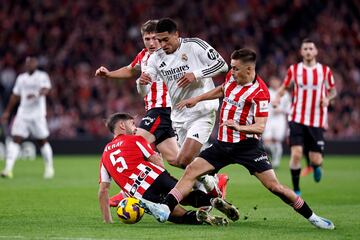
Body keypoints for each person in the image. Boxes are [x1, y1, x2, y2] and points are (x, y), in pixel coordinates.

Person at [140, 49, 335, 230]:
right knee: (190, 170)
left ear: (249, 69)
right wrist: (197, 99)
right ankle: (165, 209)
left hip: (248, 148)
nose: (231, 71)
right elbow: (222, 90)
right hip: (222, 146)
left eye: (235, 68)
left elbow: (260, 126)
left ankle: (313, 217)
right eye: (231, 67)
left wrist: (239, 126)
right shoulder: (232, 79)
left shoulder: (260, 93)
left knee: (275, 187)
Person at [139, 18, 229, 196]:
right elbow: (144, 90)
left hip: (202, 110)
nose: (161, 44)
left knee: (186, 158)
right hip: (179, 115)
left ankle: (210, 169)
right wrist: (142, 83)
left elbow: (222, 65)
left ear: (176, 35)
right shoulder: (156, 58)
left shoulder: (195, 45)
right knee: (182, 162)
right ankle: (213, 185)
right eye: (159, 40)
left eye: (165, 40)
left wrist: (195, 74)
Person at [95, 20, 179, 206]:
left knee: (133, 145)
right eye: (146, 38)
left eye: (154, 38)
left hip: (162, 109)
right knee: (176, 159)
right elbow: (130, 70)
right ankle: (212, 183)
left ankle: (128, 193)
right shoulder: (143, 55)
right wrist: (109, 74)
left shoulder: (169, 55)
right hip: (156, 111)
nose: (151, 43)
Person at [98, 112, 229, 226]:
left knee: (176, 215)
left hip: (140, 193)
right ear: (122, 125)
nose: (136, 128)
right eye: (132, 124)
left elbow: (103, 190)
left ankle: (198, 217)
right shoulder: (135, 140)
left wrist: (107, 219)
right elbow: (155, 160)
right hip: (157, 177)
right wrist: (165, 175)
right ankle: (214, 200)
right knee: (184, 196)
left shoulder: (104, 155)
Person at [274, 38, 337, 195]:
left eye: (311, 48)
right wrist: (277, 98)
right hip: (296, 117)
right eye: (305, 49)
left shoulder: (325, 71)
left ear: (315, 51)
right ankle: (296, 189)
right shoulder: (294, 70)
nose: (308, 51)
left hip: (316, 120)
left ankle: (316, 166)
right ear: (301, 52)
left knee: (316, 159)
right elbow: (284, 87)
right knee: (296, 154)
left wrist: (328, 99)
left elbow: (333, 91)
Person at [0, 56, 54, 179]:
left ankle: (49, 167)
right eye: (28, 63)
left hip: (37, 114)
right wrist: (7, 112)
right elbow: (15, 95)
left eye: (32, 63)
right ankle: (8, 169)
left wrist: (36, 94)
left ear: (36, 64)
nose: (30, 65)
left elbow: (46, 89)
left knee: (42, 141)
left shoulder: (42, 76)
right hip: (23, 113)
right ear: (26, 64)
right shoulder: (21, 78)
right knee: (16, 139)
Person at [263, 76, 291, 169]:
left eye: (276, 81)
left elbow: (289, 109)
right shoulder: (267, 91)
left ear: (279, 82)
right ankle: (273, 154)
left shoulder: (285, 94)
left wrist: (281, 110)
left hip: (279, 120)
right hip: (269, 119)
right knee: (266, 142)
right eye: (273, 81)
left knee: (277, 141)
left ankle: (276, 161)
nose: (274, 83)